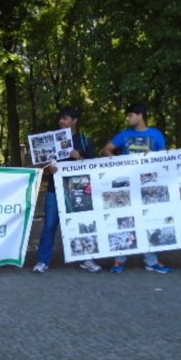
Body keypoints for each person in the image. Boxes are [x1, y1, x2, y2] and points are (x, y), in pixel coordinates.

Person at [32, 107, 102, 274]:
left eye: (65, 118)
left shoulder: (84, 140)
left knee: (82, 224)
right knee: (49, 225)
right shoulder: (52, 141)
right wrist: (49, 169)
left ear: (74, 120)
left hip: (79, 190)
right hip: (54, 189)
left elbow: (94, 166)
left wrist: (79, 157)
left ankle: (87, 258)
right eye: (60, 119)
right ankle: (43, 261)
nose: (61, 122)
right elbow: (44, 165)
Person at [103, 103, 170, 274]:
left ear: (140, 115)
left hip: (149, 186)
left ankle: (151, 260)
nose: (128, 118)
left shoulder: (156, 134)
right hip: (127, 186)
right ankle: (119, 260)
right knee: (125, 221)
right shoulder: (124, 134)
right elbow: (107, 149)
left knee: (149, 221)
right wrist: (120, 165)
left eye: (130, 115)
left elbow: (163, 157)